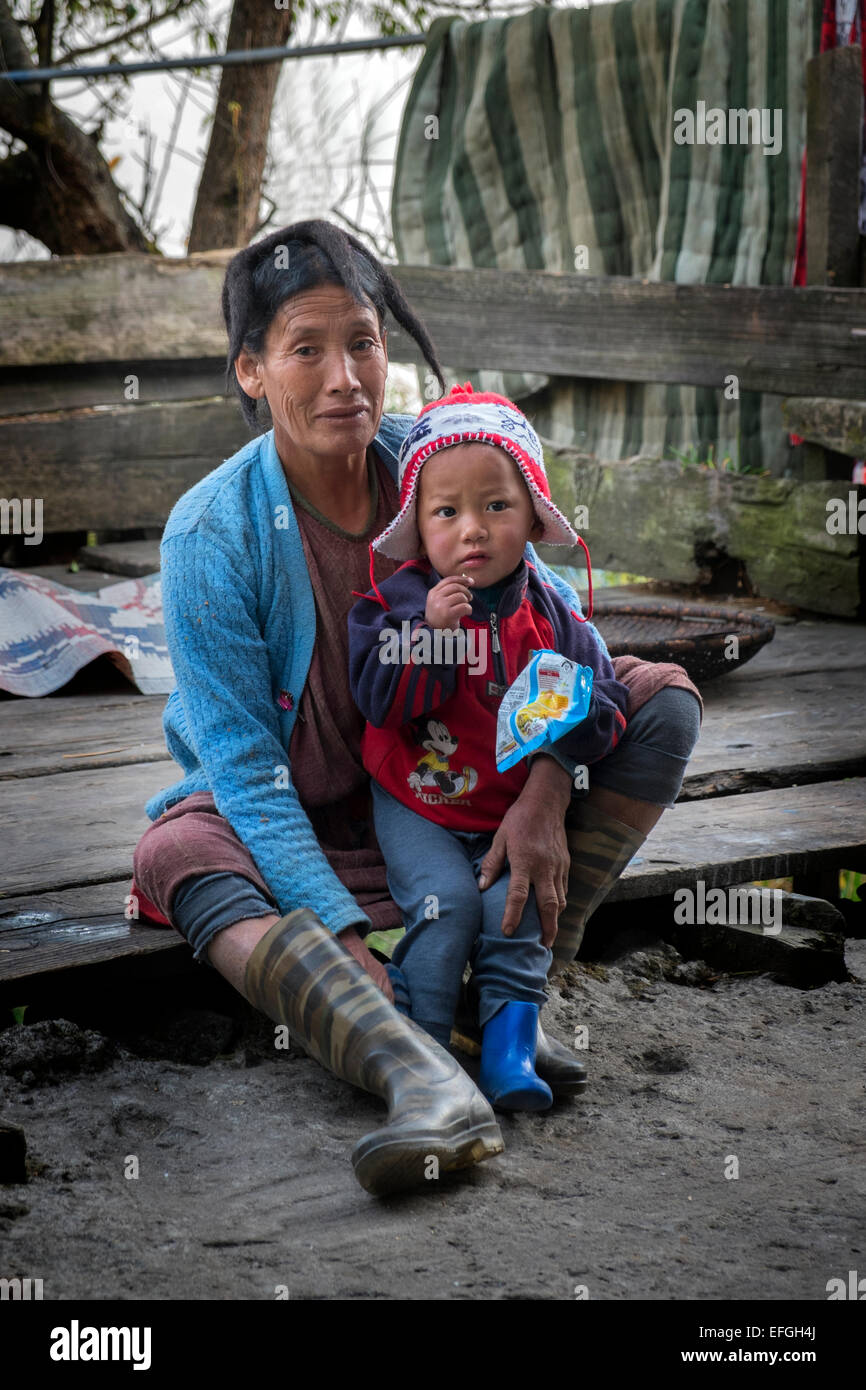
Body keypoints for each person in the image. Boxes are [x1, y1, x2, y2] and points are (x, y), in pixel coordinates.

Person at [129, 218, 703, 1196]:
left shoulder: (443, 467)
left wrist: (547, 788)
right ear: (250, 372)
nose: (344, 375)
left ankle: (507, 996)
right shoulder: (211, 534)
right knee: (175, 850)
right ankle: (418, 1072)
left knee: (659, 702)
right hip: (296, 821)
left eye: (361, 341)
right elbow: (248, 779)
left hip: (458, 801)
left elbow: (577, 651)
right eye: (305, 349)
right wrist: (342, 941)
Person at [348, 383, 631, 1111]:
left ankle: (509, 1052)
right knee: (445, 909)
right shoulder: (400, 603)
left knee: (516, 907)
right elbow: (376, 701)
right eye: (447, 512)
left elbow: (606, 705)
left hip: (506, 809)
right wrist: (434, 638)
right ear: (418, 526)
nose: (472, 529)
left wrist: (566, 728)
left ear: (533, 517)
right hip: (421, 800)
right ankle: (425, 1057)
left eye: (495, 506)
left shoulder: (553, 613)